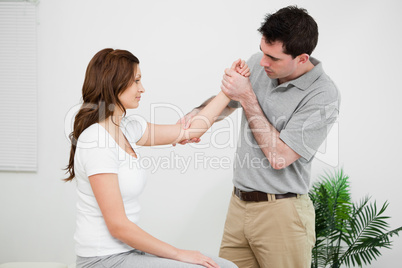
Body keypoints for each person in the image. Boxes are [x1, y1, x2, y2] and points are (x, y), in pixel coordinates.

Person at [178, 6, 340, 268]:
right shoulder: (259, 63)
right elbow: (228, 103)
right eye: (263, 52)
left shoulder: (323, 95)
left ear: (301, 58)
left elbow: (280, 157)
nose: (263, 62)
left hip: (282, 214)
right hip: (238, 206)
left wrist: (248, 96)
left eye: (273, 58)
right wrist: (195, 117)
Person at [64, 48, 250, 268]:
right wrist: (179, 254)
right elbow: (118, 226)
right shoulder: (96, 141)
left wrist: (229, 89)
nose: (142, 88)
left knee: (228, 266)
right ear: (114, 83)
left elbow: (190, 131)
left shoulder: (128, 128)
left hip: (129, 252)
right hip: (103, 260)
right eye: (136, 81)